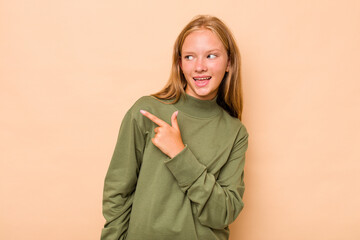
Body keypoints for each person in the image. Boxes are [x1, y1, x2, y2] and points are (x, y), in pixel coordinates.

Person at [101, 15, 249, 240]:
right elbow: (117, 194)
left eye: (211, 56)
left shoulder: (235, 132)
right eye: (190, 57)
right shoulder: (146, 112)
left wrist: (180, 154)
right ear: (180, 63)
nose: (199, 67)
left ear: (229, 63)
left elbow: (223, 213)